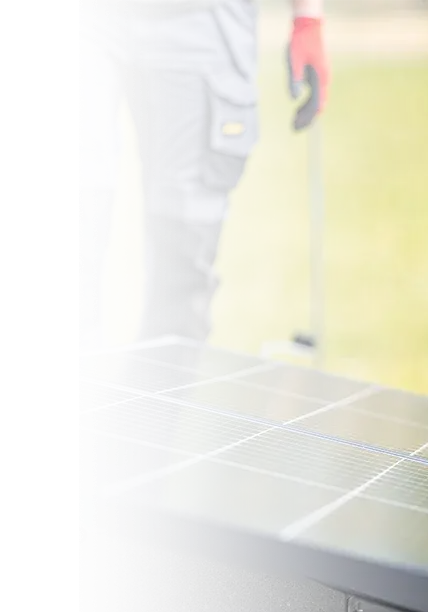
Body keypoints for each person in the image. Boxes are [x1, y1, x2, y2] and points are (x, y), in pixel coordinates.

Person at [72, 0, 331, 351]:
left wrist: (307, 20)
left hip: (204, 23)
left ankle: (163, 386)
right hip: (85, 18)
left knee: (185, 261)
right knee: (79, 222)